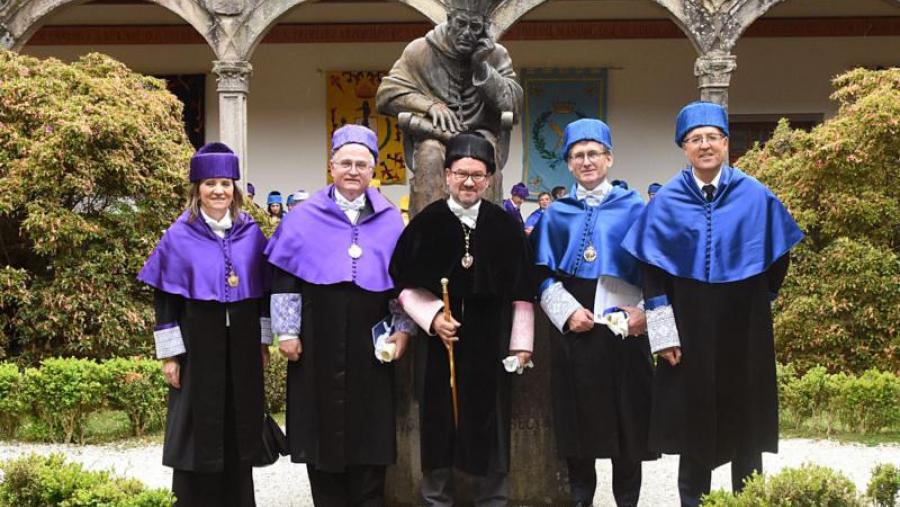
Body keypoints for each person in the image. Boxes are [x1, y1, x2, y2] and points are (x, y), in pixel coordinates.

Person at [621, 102, 804, 507]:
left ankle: (749, 500)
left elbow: (779, 258)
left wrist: (759, 301)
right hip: (688, 327)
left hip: (744, 326)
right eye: (694, 139)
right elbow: (653, 275)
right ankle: (693, 502)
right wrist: (663, 335)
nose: (704, 145)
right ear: (684, 147)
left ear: (725, 143)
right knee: (693, 422)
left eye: (712, 137)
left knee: (747, 421)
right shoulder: (667, 201)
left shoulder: (755, 196)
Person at [264, 125, 415, 506]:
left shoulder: (390, 219)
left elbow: (401, 285)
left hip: (371, 343)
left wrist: (403, 330)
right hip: (316, 338)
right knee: (320, 432)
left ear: (373, 169)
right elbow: (285, 278)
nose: (353, 171)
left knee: (370, 434)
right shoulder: (303, 216)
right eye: (345, 163)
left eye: (361, 164)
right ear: (331, 166)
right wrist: (286, 332)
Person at [390, 132, 535, 506]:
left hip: (492, 340)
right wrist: (434, 317)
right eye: (460, 173)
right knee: (438, 423)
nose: (469, 182)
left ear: (488, 178)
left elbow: (522, 292)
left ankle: (493, 500)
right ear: (447, 176)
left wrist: (521, 346)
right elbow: (402, 284)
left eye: (477, 174)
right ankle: (437, 499)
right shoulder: (426, 223)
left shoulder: (505, 226)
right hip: (441, 343)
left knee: (493, 425)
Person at [137, 142, 271, 507]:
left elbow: (262, 295)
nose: (218, 191)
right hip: (198, 346)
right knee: (196, 427)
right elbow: (165, 301)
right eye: (210, 183)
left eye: (226, 183)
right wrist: (170, 356)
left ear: (235, 189)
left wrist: (262, 344)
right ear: (197, 189)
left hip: (242, 347)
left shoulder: (250, 233)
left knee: (240, 423)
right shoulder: (179, 236)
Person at [531, 119, 655, 507]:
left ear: (609, 158)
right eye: (577, 155)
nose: (586, 162)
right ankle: (581, 498)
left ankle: (627, 500)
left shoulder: (637, 208)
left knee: (627, 423)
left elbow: (658, 272)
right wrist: (567, 312)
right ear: (568, 164)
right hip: (576, 331)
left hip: (624, 330)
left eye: (593, 154)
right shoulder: (556, 213)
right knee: (577, 422)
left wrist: (644, 313)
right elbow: (540, 274)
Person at [376, 0, 522, 212]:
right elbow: (386, 95)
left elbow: (513, 104)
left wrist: (482, 67)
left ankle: (486, 236)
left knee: (482, 156)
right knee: (430, 154)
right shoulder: (420, 50)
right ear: (449, 20)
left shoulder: (496, 54)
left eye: (475, 27)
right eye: (461, 24)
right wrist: (429, 105)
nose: (467, 33)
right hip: (435, 134)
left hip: (479, 134)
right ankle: (427, 236)